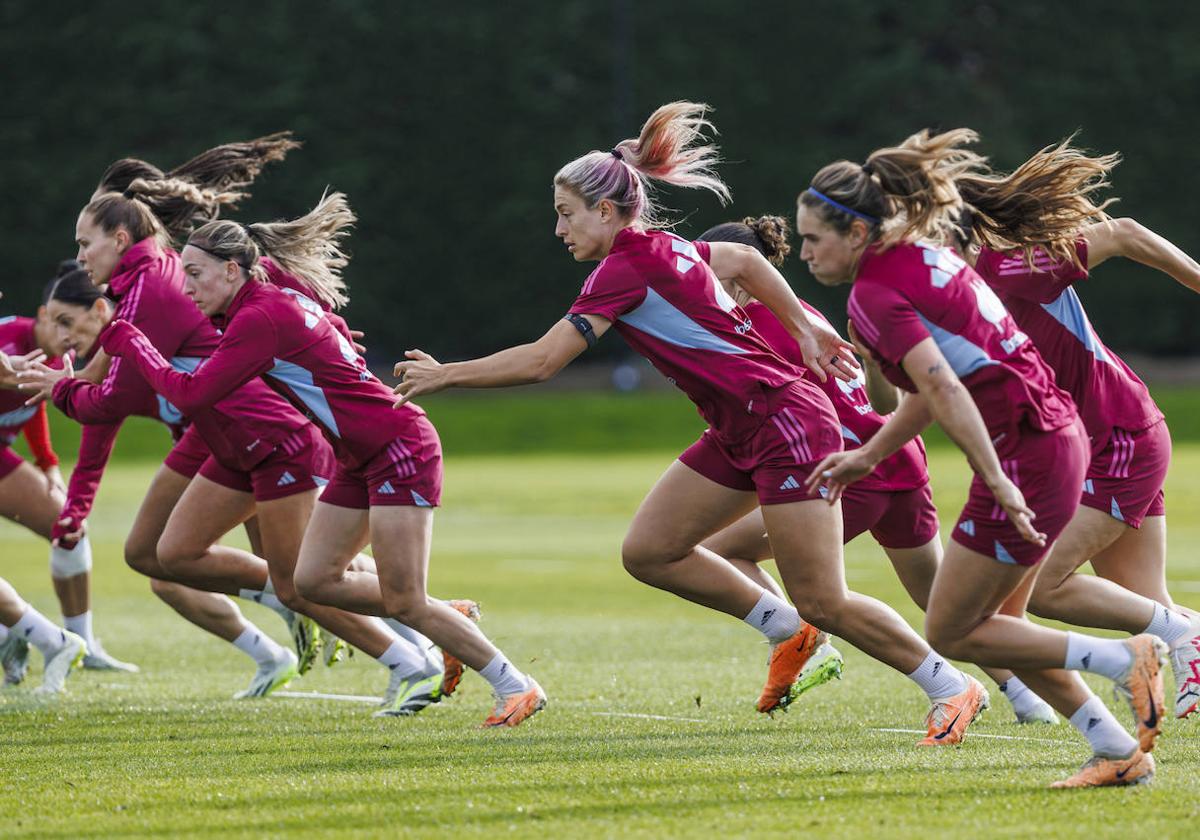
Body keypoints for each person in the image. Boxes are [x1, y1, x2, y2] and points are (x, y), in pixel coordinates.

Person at [392, 101, 993, 744]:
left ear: (605, 210)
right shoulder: (666, 247)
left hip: (785, 422)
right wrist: (801, 330)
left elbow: (543, 362)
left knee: (823, 597)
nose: (558, 228)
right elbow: (745, 263)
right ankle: (790, 631)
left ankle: (950, 686)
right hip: (740, 428)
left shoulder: (626, 267)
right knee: (650, 552)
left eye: (566, 214)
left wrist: (447, 374)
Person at [797, 128, 1165, 788]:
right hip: (1051, 441)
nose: (803, 253)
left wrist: (998, 478)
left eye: (812, 239)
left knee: (954, 627)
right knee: (987, 624)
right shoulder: (924, 259)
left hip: (1029, 454)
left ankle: (1124, 658)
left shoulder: (876, 291)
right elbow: (927, 390)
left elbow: (941, 387)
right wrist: (868, 455)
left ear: (855, 234)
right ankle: (1115, 748)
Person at [96, 192, 544, 727]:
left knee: (404, 600)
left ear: (234, 270)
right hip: (359, 457)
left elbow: (192, 395)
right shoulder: (267, 301)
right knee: (310, 583)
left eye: (194, 273)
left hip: (398, 448)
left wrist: (133, 343)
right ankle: (448, 617)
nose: (186, 286)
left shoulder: (259, 316)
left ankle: (515, 685)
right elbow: (319, 328)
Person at [22, 192, 454, 713]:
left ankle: (416, 650)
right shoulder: (150, 282)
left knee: (301, 582)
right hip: (220, 436)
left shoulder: (149, 291)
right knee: (168, 556)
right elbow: (114, 376)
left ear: (119, 239)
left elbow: (116, 398)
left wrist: (64, 395)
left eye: (84, 242)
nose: (80, 255)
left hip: (268, 433)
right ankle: (401, 617)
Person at [695, 216, 1058, 724]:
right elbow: (870, 395)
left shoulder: (753, 325)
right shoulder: (803, 312)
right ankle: (1029, 696)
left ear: (737, 273)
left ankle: (805, 642)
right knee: (941, 605)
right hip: (899, 460)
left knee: (722, 552)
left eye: (703, 272)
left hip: (850, 470)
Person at [949, 141, 1200, 720]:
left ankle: (1171, 646)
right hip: (1102, 441)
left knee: (1046, 586)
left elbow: (1124, 231)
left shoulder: (1007, 270)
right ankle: (1180, 642)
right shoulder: (953, 296)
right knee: (1148, 604)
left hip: (1120, 437)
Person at [0, 280, 128, 679]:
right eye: (61, 323)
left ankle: (76, 642)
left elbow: (31, 406)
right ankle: (19, 636)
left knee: (68, 527)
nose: (69, 336)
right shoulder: (10, 336)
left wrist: (48, 462)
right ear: (43, 315)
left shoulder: (57, 359)